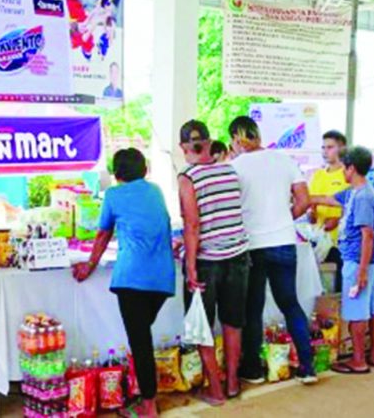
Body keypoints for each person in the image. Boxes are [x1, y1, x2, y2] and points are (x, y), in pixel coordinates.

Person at [72, 148, 175, 418]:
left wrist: (89, 265)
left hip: (132, 278)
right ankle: (143, 391)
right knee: (141, 334)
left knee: (140, 340)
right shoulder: (155, 191)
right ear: (144, 170)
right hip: (163, 279)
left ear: (117, 173)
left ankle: (149, 405)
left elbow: (103, 233)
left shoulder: (114, 195)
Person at [228, 116, 317, 384]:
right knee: (290, 304)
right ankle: (307, 366)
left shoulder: (235, 167)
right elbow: (304, 200)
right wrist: (283, 218)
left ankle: (253, 369)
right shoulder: (284, 160)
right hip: (283, 242)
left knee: (253, 309)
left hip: (252, 246)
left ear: (235, 138)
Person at [178, 121, 249, 405]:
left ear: (184, 148)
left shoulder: (188, 177)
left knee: (202, 325)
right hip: (239, 255)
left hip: (208, 260)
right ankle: (232, 382)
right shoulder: (230, 170)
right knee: (233, 322)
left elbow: (192, 225)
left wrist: (191, 264)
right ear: (208, 143)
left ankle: (216, 390)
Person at [311, 147, 374, 374]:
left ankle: (359, 360)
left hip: (358, 261)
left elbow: (367, 236)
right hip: (366, 261)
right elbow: (327, 199)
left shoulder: (363, 197)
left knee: (356, 310)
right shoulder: (355, 192)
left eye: (344, 167)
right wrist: (303, 197)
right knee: (372, 307)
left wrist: (361, 271)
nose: (342, 171)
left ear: (352, 168)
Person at [309, 130, 349, 293]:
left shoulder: (347, 174)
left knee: (341, 274)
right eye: (323, 147)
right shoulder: (318, 175)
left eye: (330, 147)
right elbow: (312, 203)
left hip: (341, 241)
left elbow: (351, 205)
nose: (325, 152)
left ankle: (339, 307)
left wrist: (338, 219)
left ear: (342, 148)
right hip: (319, 238)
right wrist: (311, 214)